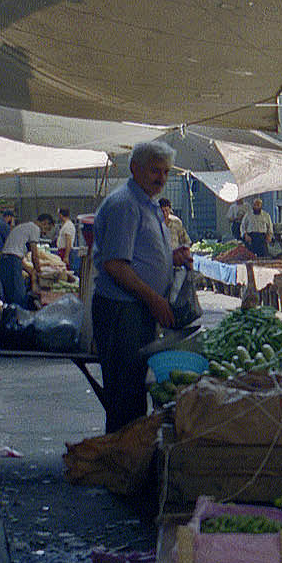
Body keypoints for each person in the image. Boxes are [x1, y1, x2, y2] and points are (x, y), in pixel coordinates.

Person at [91, 140, 192, 432]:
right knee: (125, 397)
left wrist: (172, 258)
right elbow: (115, 265)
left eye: (165, 172)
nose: (161, 178)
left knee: (134, 391)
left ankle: (127, 461)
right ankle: (121, 467)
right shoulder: (125, 205)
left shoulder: (145, 203)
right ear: (135, 169)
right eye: (154, 171)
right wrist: (154, 300)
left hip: (136, 311)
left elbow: (137, 256)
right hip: (123, 313)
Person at [0, 213, 52, 308]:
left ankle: (11, 319)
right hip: (11, 262)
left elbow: (16, 255)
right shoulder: (35, 228)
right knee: (19, 297)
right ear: (44, 223)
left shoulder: (24, 226)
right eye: (47, 229)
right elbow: (34, 256)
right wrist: (39, 273)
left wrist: (31, 271)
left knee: (10, 297)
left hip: (5, 261)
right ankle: (19, 320)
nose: (45, 233)